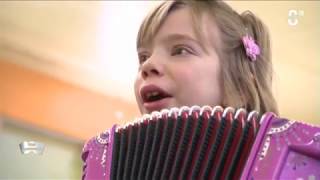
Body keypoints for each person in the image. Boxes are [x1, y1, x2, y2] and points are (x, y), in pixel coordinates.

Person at [81, 1, 279, 179]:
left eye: (181, 50)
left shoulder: (276, 165)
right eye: (143, 57)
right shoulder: (111, 161)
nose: (148, 65)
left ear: (238, 87)